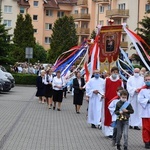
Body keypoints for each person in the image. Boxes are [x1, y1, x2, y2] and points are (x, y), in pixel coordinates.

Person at [102, 66, 123, 137]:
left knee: (116, 116)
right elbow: (103, 89)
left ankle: (115, 131)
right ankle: (108, 132)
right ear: (111, 72)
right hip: (108, 101)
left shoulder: (120, 81)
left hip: (117, 101)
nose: (115, 74)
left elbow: (122, 91)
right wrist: (103, 94)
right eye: (114, 72)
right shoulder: (107, 80)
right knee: (108, 116)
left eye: (116, 72)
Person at [138, 72, 150, 149]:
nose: (148, 81)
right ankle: (147, 141)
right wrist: (147, 101)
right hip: (146, 111)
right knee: (146, 128)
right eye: (146, 80)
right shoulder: (142, 90)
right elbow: (140, 99)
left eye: (149, 79)